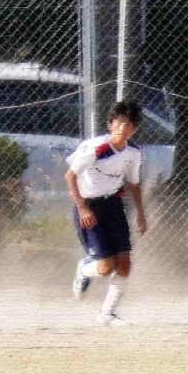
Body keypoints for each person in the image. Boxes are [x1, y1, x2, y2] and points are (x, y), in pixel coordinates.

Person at [67, 100, 148, 326]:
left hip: (113, 205)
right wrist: (82, 207)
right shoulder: (96, 148)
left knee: (125, 263)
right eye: (119, 123)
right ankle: (84, 270)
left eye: (129, 124)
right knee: (106, 267)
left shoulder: (133, 153)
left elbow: (133, 183)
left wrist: (141, 213)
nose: (123, 128)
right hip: (89, 206)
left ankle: (107, 314)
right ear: (110, 124)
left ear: (134, 129)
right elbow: (70, 176)